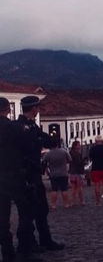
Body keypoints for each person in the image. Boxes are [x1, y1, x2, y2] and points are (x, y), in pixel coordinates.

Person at [17, 95, 65, 252]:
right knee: (29, 211)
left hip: (35, 173)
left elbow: (44, 139)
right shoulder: (20, 126)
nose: (39, 111)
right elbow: (34, 144)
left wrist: (53, 140)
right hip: (26, 174)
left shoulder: (32, 126)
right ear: (33, 109)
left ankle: (45, 240)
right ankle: (30, 244)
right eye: (38, 108)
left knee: (41, 209)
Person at [0, 97, 42, 262]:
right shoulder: (16, 129)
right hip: (16, 175)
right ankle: (23, 249)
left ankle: (7, 252)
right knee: (26, 212)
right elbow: (29, 147)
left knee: (2, 218)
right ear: (8, 110)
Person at [43, 137, 72, 209]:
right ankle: (66, 203)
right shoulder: (63, 151)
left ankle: (53, 205)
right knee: (64, 189)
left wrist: (47, 171)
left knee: (54, 190)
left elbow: (44, 163)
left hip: (53, 174)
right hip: (63, 173)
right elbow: (70, 159)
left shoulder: (48, 154)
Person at [89, 135, 103, 206]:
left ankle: (98, 202)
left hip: (96, 168)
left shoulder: (93, 149)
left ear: (95, 141)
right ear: (102, 141)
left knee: (96, 185)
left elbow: (90, 157)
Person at [69, 141, 86, 206]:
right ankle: (81, 200)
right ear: (75, 146)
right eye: (78, 145)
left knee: (73, 187)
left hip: (72, 171)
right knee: (79, 186)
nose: (80, 146)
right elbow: (79, 162)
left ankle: (73, 201)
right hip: (78, 171)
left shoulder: (71, 153)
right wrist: (83, 161)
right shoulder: (77, 154)